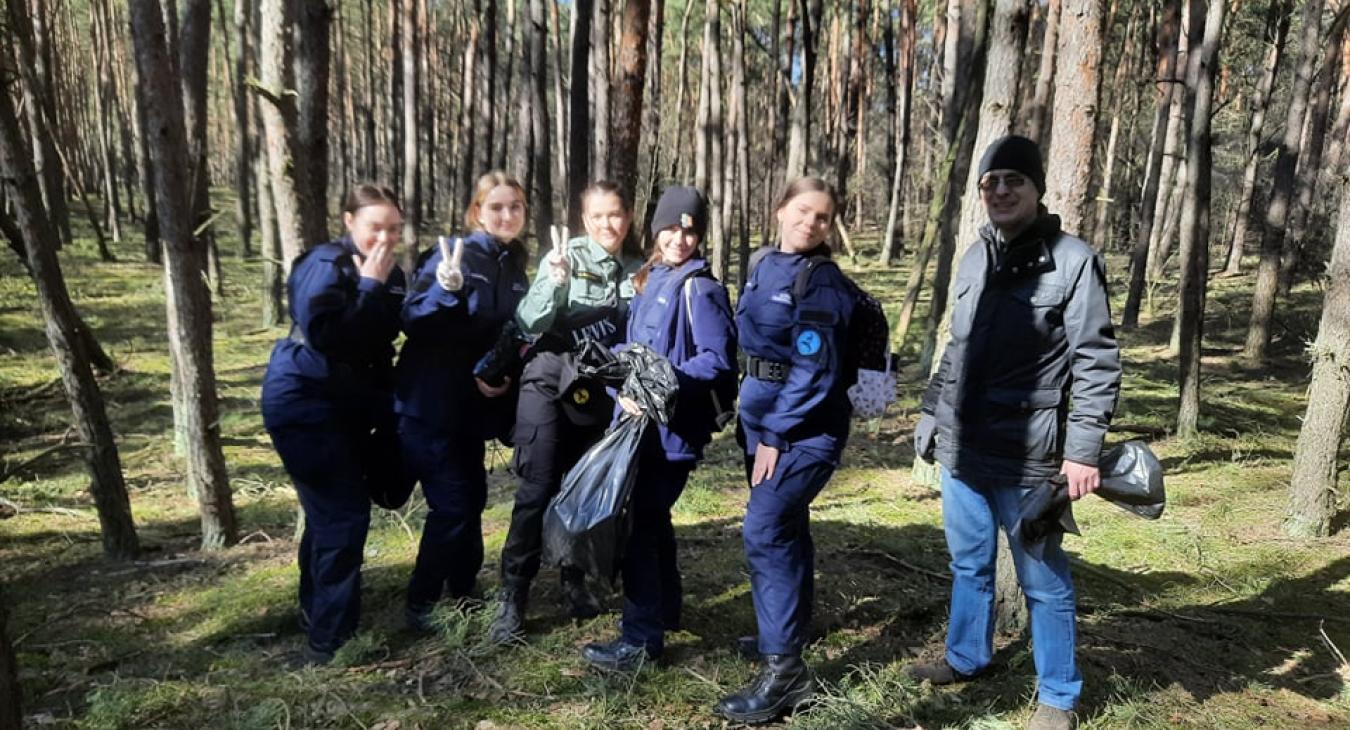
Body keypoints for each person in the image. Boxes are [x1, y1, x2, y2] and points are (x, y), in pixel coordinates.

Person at [910, 135, 1122, 730]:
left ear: (1037, 189)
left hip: (1032, 456)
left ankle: (1058, 695)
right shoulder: (975, 256)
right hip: (963, 444)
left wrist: (1083, 453)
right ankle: (967, 656)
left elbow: (1097, 362)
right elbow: (957, 347)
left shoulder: (1073, 260)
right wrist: (931, 412)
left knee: (1043, 579)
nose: (1001, 191)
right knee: (969, 563)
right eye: (991, 182)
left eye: (1013, 181)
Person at [714, 177, 857, 724]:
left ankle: (786, 674)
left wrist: (774, 433)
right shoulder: (761, 263)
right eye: (802, 211)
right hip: (759, 421)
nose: (810, 223)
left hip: (803, 431)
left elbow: (813, 370)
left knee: (765, 529)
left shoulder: (820, 281)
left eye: (822, 217)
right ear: (780, 209)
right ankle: (785, 632)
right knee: (787, 528)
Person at [579, 186, 738, 671]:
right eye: (671, 227)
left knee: (639, 531)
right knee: (651, 522)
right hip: (636, 427)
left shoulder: (701, 288)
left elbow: (717, 361)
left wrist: (658, 388)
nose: (680, 238)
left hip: (671, 435)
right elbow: (631, 350)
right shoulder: (650, 279)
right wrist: (616, 387)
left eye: (690, 230)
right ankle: (665, 610)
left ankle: (640, 640)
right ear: (656, 229)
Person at [488, 181, 645, 644]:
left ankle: (573, 579)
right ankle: (512, 595)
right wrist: (553, 282)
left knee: (580, 488)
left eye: (614, 214)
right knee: (537, 488)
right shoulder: (566, 257)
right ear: (583, 219)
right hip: (548, 379)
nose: (606, 225)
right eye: (596, 217)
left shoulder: (637, 269)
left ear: (628, 215)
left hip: (597, 388)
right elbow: (531, 322)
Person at [260, 184, 410, 665]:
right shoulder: (325, 265)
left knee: (330, 515)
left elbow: (386, 339)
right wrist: (367, 286)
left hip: (348, 405)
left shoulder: (394, 274)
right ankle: (331, 642)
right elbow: (326, 334)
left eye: (393, 229)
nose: (384, 238)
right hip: (303, 401)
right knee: (343, 515)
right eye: (375, 228)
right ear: (349, 222)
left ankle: (315, 612)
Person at [395, 171, 531, 631]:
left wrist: (503, 374)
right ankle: (421, 602)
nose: (507, 214)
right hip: (431, 402)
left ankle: (463, 588)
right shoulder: (453, 255)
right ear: (477, 212)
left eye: (515, 206)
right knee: (452, 505)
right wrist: (444, 292)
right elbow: (413, 318)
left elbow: (509, 336)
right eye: (496, 207)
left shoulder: (513, 265)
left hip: (472, 409)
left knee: (470, 499)